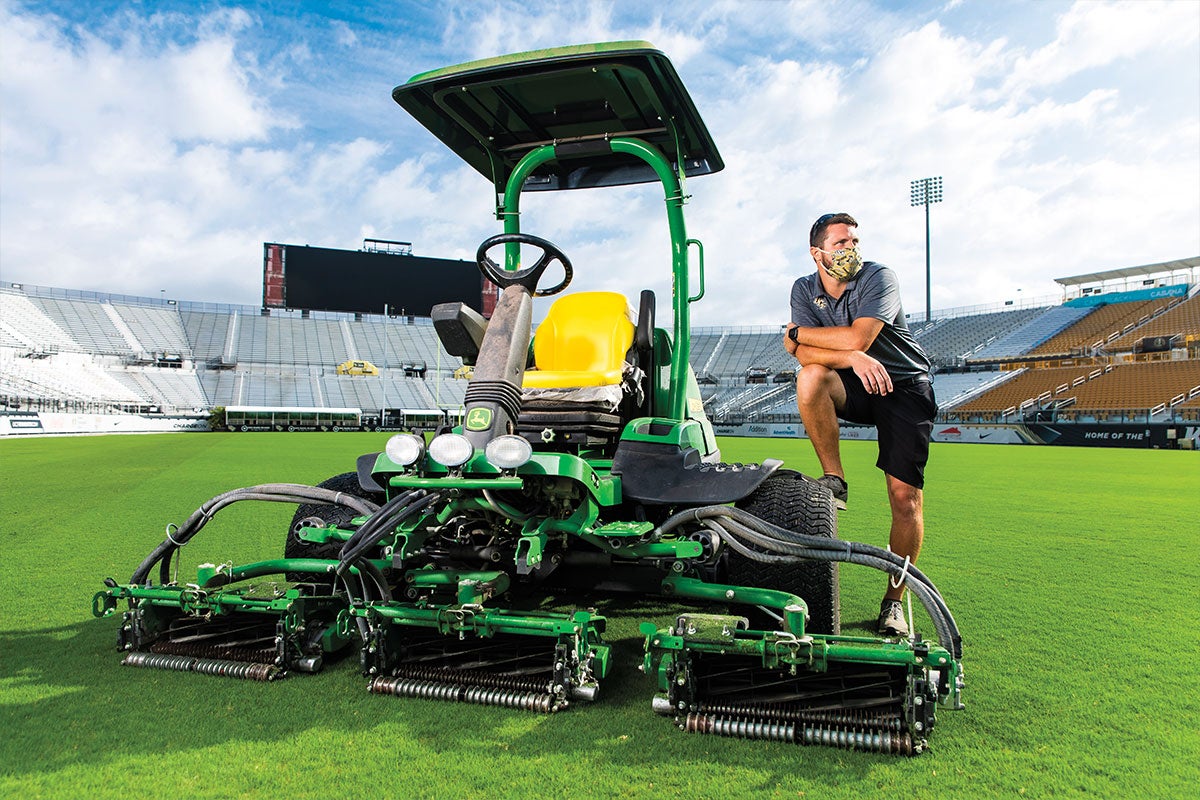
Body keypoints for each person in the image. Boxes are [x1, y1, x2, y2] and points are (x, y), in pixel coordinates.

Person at [783, 212, 937, 637]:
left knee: (904, 497)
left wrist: (800, 333)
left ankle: (894, 601)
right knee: (810, 377)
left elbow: (855, 338)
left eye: (854, 241)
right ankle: (835, 478)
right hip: (857, 381)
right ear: (817, 254)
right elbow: (803, 357)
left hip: (904, 386)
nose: (851, 249)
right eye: (840, 244)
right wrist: (848, 357)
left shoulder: (878, 277)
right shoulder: (803, 288)